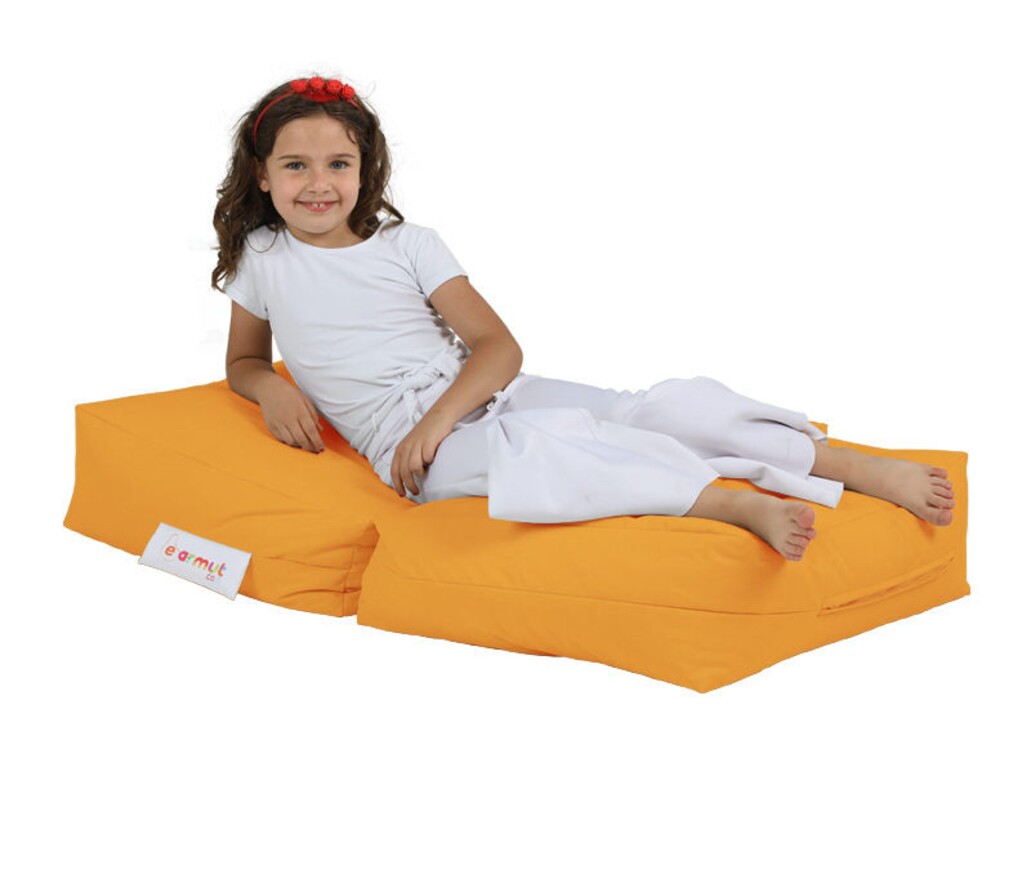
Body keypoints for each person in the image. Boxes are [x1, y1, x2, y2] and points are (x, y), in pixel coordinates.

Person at [212, 74, 954, 564]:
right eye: (296, 165)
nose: (318, 183)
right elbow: (243, 360)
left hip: (475, 399)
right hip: (412, 452)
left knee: (652, 410)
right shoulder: (262, 258)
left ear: (364, 169)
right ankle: (722, 504)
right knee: (540, 454)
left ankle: (845, 465)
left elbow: (498, 348)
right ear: (262, 174)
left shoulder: (408, 245)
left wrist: (437, 419)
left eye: (338, 164)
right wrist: (267, 386)